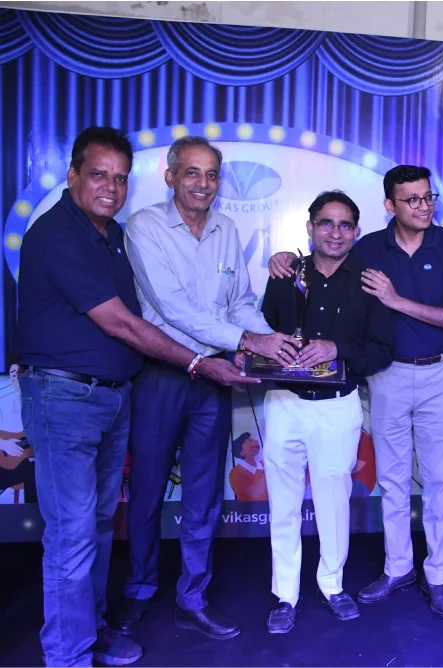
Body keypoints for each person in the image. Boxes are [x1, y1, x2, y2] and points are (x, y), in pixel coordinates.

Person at [15, 126, 254, 668]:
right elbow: (133, 320)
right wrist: (204, 359)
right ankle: (73, 651)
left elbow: (237, 301)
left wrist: (260, 337)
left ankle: (103, 627)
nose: (111, 187)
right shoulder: (71, 233)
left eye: (120, 178)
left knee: (102, 523)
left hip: (118, 392)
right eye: (98, 175)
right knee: (79, 531)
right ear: (72, 175)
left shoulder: (108, 235)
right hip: (83, 393)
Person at [267, 165, 443, 618]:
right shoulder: (367, 249)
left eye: (428, 197)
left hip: (441, 372)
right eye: (412, 199)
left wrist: (397, 300)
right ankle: (398, 567)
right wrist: (282, 258)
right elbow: (321, 262)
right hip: (386, 377)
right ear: (389, 205)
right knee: (394, 481)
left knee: (439, 482)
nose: (424, 206)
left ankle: (438, 575)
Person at [111, 136, 300, 641]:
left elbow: (238, 302)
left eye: (212, 174)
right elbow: (171, 307)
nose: (203, 183)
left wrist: (271, 343)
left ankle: (192, 598)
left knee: (204, 495)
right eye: (191, 172)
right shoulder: (144, 226)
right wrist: (247, 339)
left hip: (215, 376)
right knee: (147, 490)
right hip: (162, 373)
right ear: (170, 176)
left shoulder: (226, 229)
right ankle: (139, 591)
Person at [258, 190, 394, 634]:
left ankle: (332, 584)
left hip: (337, 407)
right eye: (326, 223)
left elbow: (381, 351)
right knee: (282, 503)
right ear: (310, 227)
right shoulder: (285, 274)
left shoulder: (370, 282)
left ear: (355, 231)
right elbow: (261, 333)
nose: (335, 232)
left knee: (334, 504)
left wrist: (337, 349)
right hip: (284, 403)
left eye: (344, 225)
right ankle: (285, 594)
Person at [229, 432, 267, 502]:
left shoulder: (264, 463)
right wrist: (267, 472)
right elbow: (255, 494)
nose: (254, 441)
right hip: (252, 508)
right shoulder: (236, 473)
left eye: (252, 439)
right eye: (249, 441)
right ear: (241, 452)